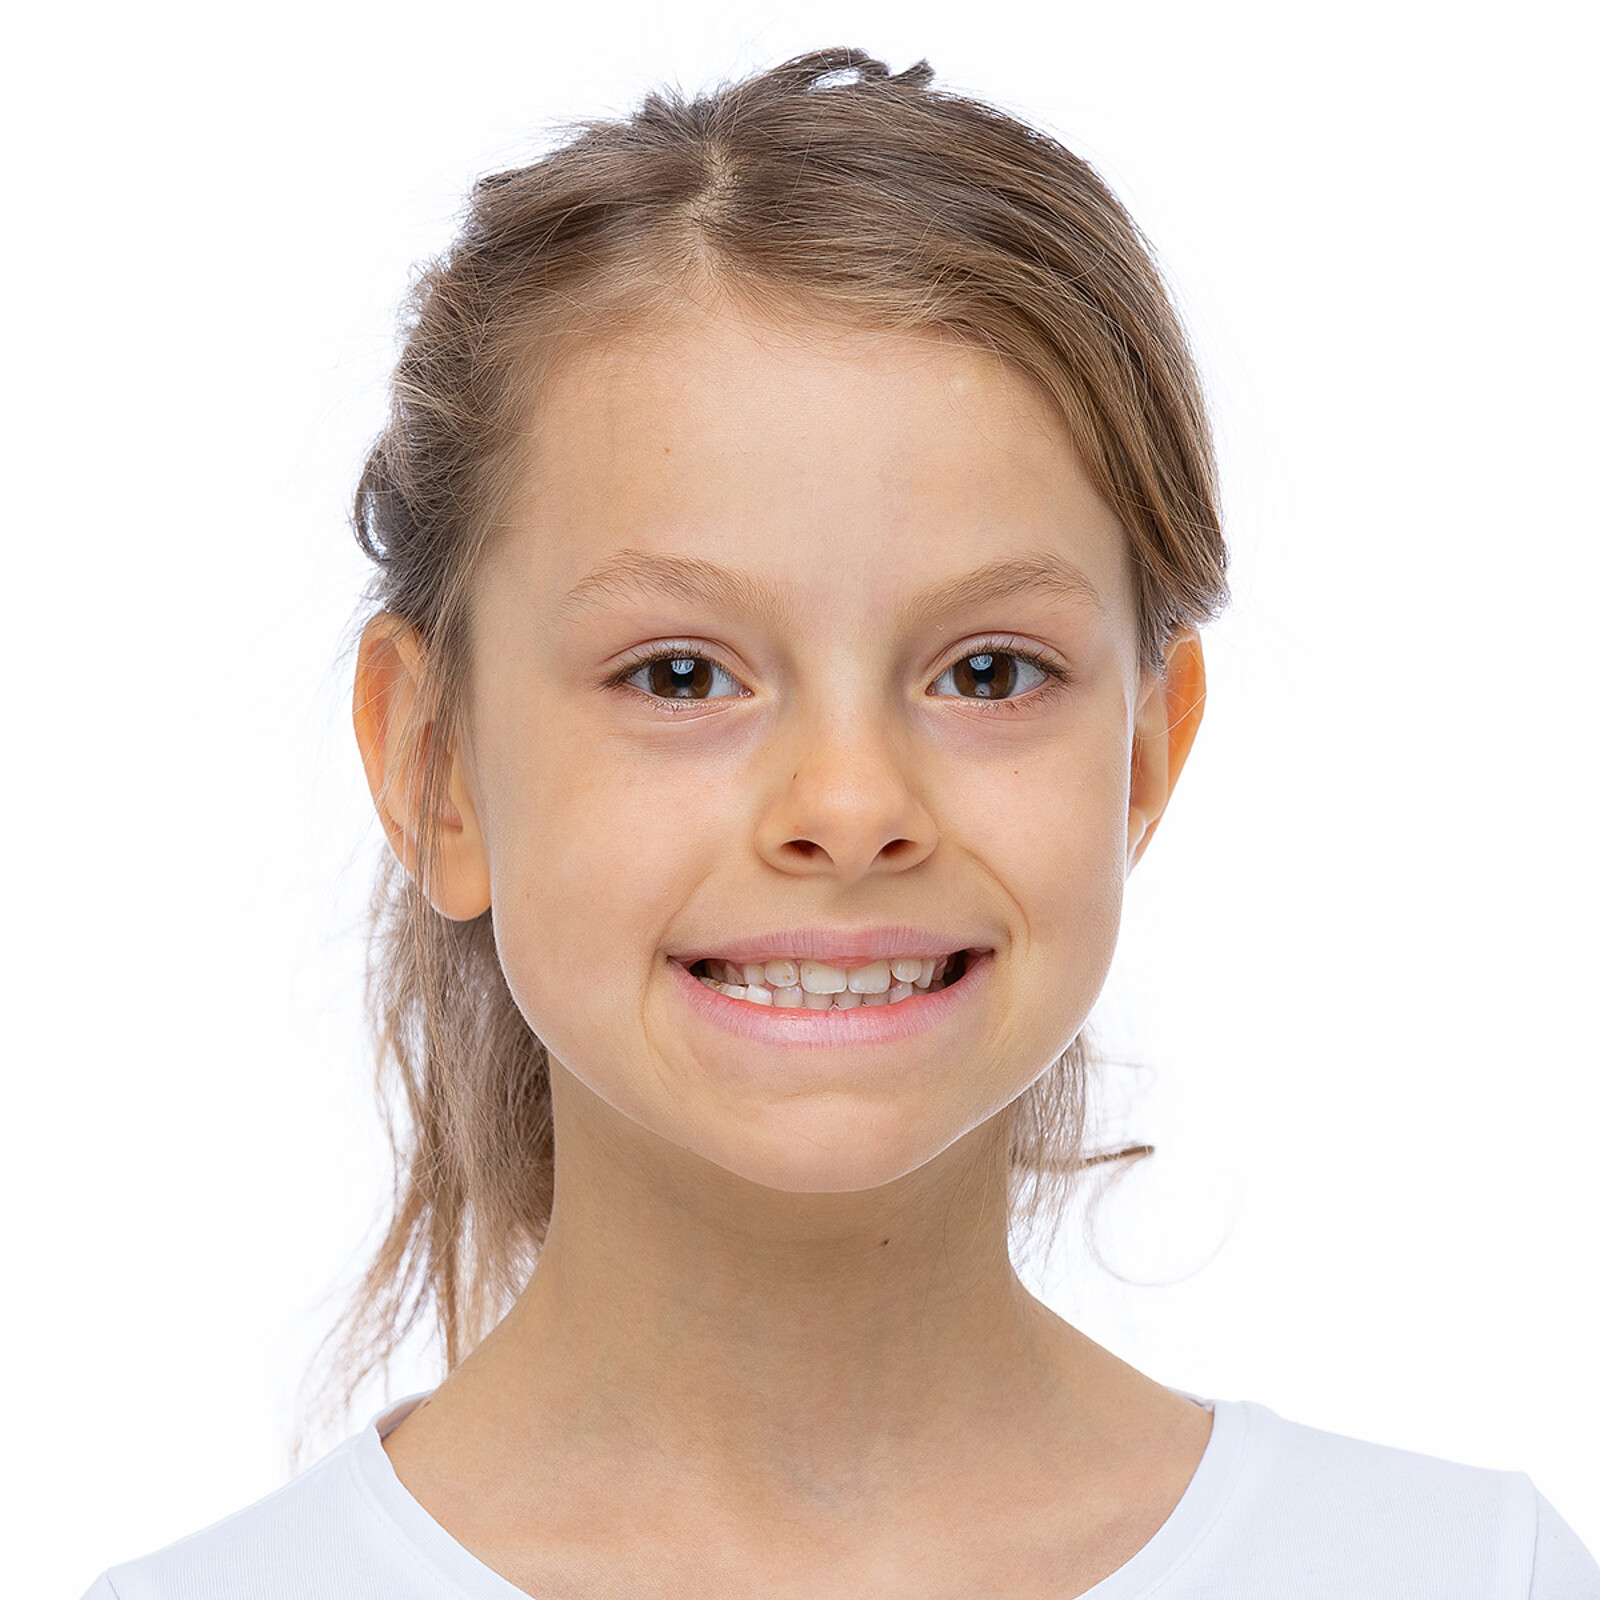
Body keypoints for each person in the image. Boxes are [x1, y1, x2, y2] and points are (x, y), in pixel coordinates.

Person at [80, 46, 1598, 1600]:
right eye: (681, 675)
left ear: (1145, 756)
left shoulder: (1470, 1576)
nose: (853, 808)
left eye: (988, 672)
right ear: (436, 763)